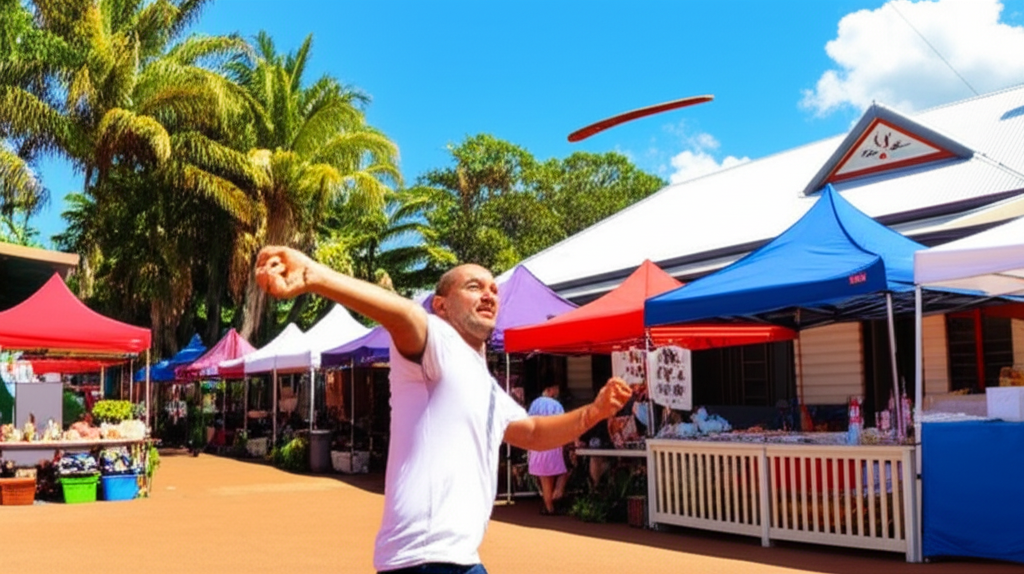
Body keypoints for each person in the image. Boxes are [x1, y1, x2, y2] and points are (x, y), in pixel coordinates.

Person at [255, 246, 631, 574]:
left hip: (452, 558)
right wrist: (315, 275)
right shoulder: (438, 340)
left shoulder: (484, 383)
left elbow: (532, 432)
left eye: (493, 289)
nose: (489, 295)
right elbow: (404, 314)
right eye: (474, 287)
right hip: (428, 557)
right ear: (441, 305)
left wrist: (593, 412)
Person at [527, 383, 569, 515]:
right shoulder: (557, 406)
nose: (557, 392)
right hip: (553, 444)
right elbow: (563, 425)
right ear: (550, 390)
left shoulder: (534, 404)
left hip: (538, 444)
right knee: (562, 471)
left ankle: (549, 506)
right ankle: (556, 495)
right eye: (556, 389)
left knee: (545, 478)